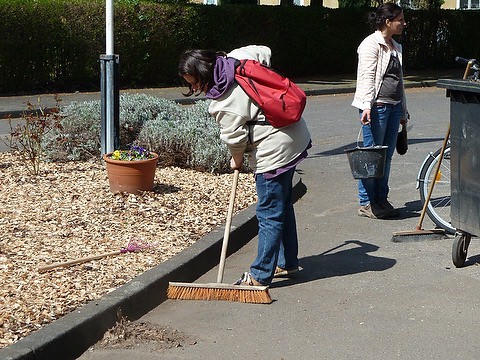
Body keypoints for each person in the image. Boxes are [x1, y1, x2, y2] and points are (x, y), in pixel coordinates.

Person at [178, 45, 311, 286]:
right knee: (281, 203)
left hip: (275, 149)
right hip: (295, 136)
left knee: (269, 211)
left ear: (204, 73)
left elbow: (234, 139)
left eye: (195, 82)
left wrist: (236, 159)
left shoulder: (223, 102)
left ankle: (260, 275)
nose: (194, 89)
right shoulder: (237, 58)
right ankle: (286, 261)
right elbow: (264, 50)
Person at [351, 2, 409, 219]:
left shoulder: (396, 46)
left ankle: (381, 199)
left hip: (393, 108)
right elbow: (366, 78)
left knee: (386, 157)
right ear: (388, 22)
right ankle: (367, 202)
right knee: (371, 156)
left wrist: (403, 110)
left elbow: (399, 82)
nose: (404, 23)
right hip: (377, 107)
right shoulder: (370, 44)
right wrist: (366, 106)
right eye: (400, 19)